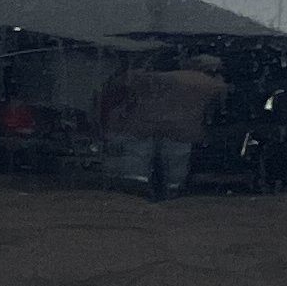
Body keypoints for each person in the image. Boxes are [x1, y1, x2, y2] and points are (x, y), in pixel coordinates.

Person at [96, 52, 226, 198]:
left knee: (133, 182)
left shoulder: (137, 78)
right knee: (171, 181)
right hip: (178, 136)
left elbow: (115, 86)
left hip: (142, 135)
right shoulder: (204, 83)